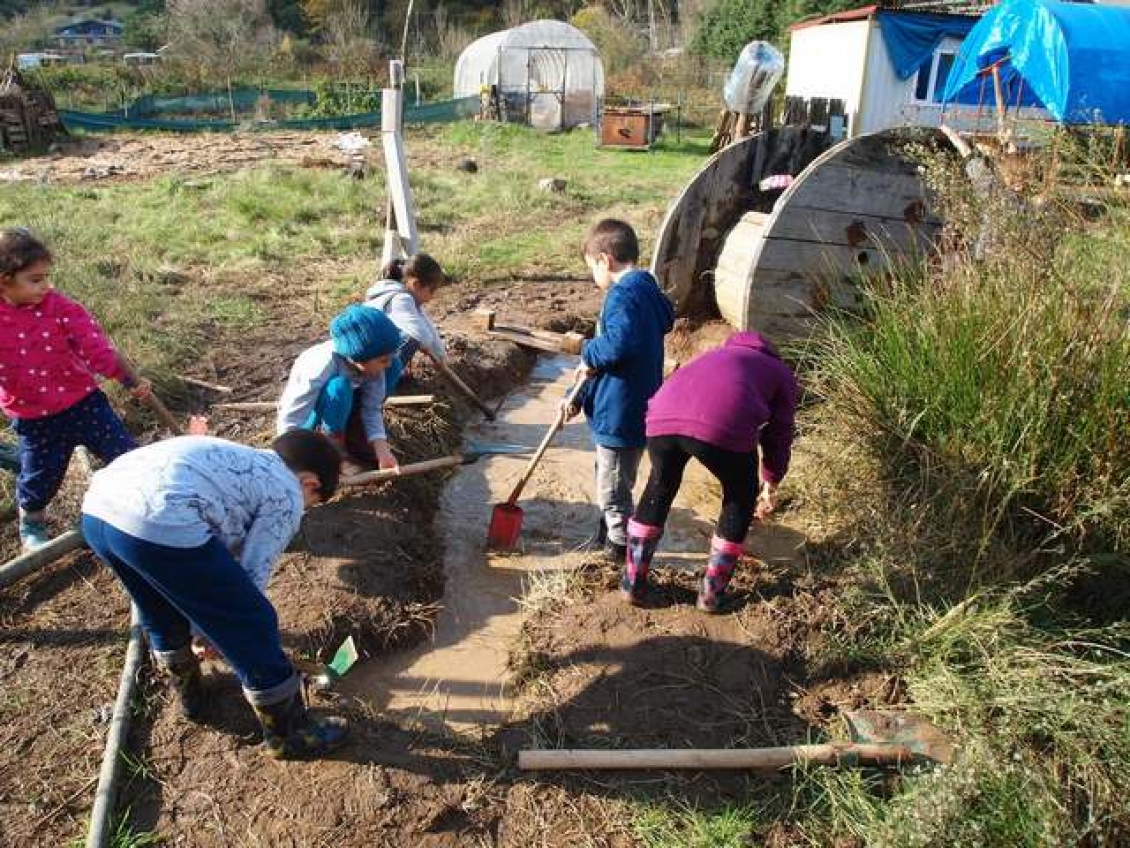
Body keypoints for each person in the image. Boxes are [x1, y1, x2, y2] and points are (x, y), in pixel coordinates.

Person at [80, 430, 349, 759]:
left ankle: (191, 697)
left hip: (100, 510)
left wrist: (204, 624)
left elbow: (210, 567)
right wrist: (217, 628)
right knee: (253, 620)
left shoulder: (243, 460)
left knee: (160, 610)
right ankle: (290, 735)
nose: (304, 510)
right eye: (313, 504)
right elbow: (252, 573)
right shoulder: (288, 494)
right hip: (160, 521)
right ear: (310, 483)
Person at [623, 331, 798, 612]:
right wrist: (771, 479)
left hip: (660, 417)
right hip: (721, 424)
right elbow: (780, 433)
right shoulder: (779, 371)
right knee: (740, 496)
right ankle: (710, 595)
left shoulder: (713, 354)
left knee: (660, 484)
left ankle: (632, 582)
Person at [0, 227, 151, 552]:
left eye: (47, 277)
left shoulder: (58, 307)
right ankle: (32, 519)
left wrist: (129, 380)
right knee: (41, 477)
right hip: (35, 418)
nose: (47, 285)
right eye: (36, 279)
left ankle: (146, 505)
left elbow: (94, 347)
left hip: (84, 403)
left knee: (126, 456)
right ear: (4, 280)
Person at [566, 219, 675, 561]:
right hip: (636, 407)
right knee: (614, 478)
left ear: (605, 260)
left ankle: (617, 550)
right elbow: (613, 354)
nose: (593, 279)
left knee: (613, 487)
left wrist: (586, 350)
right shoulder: (648, 293)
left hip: (620, 410)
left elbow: (613, 347)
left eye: (592, 270)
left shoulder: (623, 295)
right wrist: (577, 396)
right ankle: (609, 528)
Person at [276, 305, 402, 473]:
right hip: (318, 410)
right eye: (383, 359)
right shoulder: (319, 366)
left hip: (349, 398)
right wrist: (288, 459)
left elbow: (372, 408)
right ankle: (333, 447)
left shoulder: (374, 361)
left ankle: (356, 432)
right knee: (339, 387)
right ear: (356, 358)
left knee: (395, 368)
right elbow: (292, 417)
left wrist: (382, 449)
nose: (388, 363)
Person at [364, 254, 447, 391]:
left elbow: (426, 324)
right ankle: (381, 384)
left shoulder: (409, 296)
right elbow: (423, 336)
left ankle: (389, 374)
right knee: (412, 338)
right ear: (416, 284)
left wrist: (440, 356)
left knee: (413, 335)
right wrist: (427, 347)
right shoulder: (400, 299)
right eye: (432, 290)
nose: (433, 297)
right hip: (367, 359)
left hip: (376, 352)